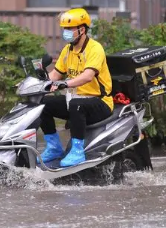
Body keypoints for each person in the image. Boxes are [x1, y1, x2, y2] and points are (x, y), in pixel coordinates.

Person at [38, 7, 114, 167]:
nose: (66, 32)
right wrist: (37, 84)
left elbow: (87, 76)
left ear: (82, 29)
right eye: (65, 28)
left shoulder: (95, 48)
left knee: (76, 105)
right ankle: (53, 147)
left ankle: (77, 152)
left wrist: (64, 84)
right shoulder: (68, 50)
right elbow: (55, 75)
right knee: (42, 103)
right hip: (76, 100)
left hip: (100, 102)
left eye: (70, 28)